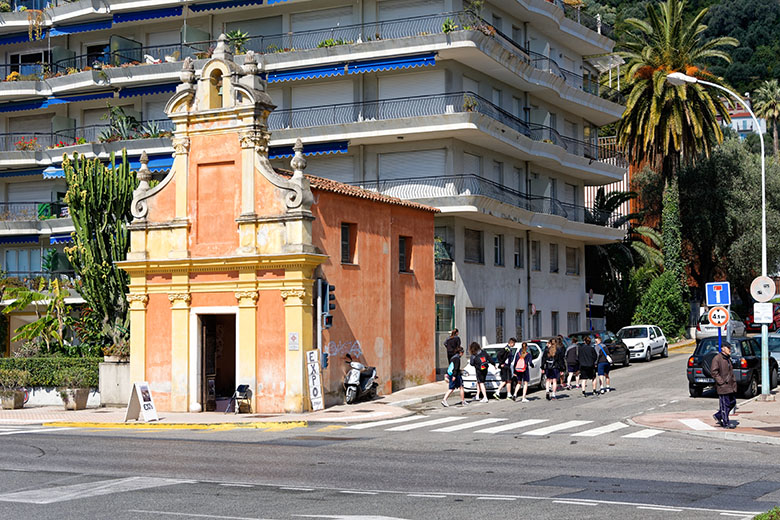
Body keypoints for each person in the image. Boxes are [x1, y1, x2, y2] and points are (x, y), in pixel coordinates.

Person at [711, 342, 737, 428]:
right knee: (725, 405)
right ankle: (726, 422)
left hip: (730, 385)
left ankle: (719, 416)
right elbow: (714, 372)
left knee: (733, 402)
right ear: (722, 348)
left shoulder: (727, 358)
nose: (730, 349)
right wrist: (721, 382)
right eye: (728, 348)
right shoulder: (717, 358)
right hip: (723, 386)